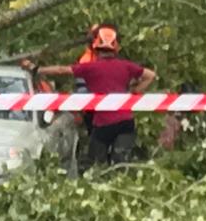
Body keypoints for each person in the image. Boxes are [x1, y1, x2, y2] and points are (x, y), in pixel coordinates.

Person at [24, 24, 157, 166]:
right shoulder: (126, 66)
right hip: (125, 123)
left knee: (96, 165)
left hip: (102, 125)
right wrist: (135, 91)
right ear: (116, 48)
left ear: (95, 47)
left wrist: (36, 69)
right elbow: (151, 75)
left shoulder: (90, 68)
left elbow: (61, 70)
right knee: (121, 164)